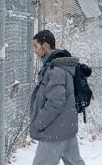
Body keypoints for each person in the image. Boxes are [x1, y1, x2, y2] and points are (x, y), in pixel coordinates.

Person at [30, 30, 87, 165]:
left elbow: (56, 103)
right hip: (66, 128)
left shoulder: (55, 71)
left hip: (54, 131)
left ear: (46, 45)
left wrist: (39, 123)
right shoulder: (59, 68)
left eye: (36, 46)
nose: (34, 50)